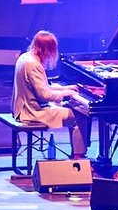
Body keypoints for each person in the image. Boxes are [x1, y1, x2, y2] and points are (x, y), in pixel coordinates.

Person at [12, 30, 95, 160]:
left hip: (25, 106)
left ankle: (77, 152)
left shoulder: (26, 57)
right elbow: (44, 95)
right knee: (79, 116)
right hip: (32, 111)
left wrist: (65, 88)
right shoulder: (33, 64)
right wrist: (66, 93)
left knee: (73, 108)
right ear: (47, 49)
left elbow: (42, 87)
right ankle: (78, 156)